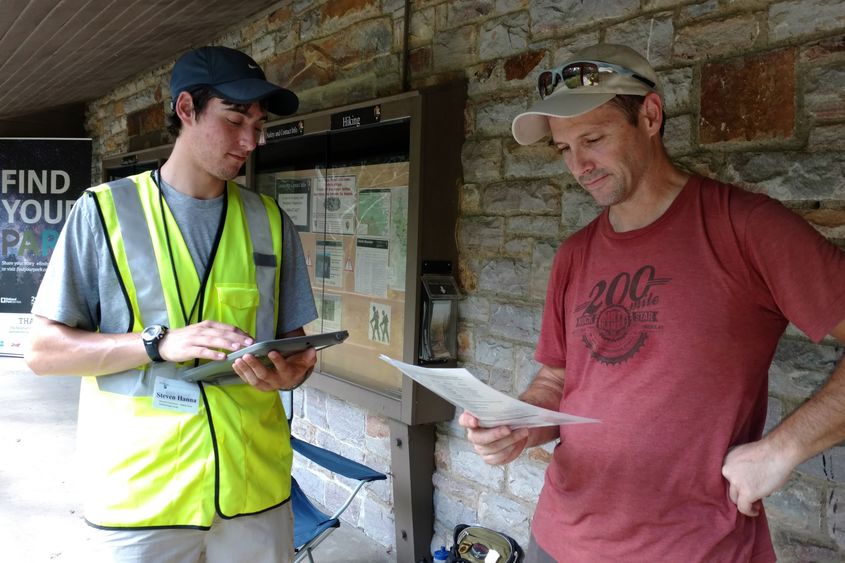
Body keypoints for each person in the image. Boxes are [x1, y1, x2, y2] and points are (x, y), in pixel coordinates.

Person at [459, 43, 845, 562]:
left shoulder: (746, 229)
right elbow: (558, 382)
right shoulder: (575, 254)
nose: (579, 165)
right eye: (564, 149)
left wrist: (784, 448)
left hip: (696, 548)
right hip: (560, 537)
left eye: (593, 139)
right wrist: (518, 429)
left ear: (650, 115)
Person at [24, 45, 318, 563]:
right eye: (234, 120)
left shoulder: (272, 222)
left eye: (258, 123)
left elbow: (293, 352)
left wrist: (290, 374)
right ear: (186, 110)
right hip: (142, 501)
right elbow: (44, 352)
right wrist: (157, 344)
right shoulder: (102, 213)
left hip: (255, 496)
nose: (251, 140)